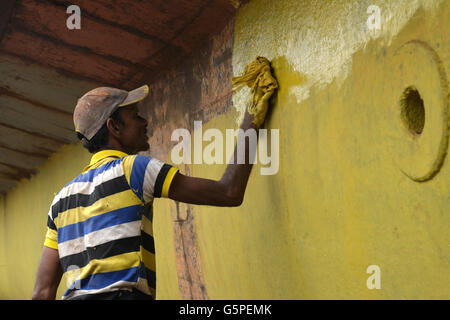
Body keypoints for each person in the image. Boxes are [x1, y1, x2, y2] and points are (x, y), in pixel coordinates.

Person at [31, 62, 277, 300]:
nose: (145, 121)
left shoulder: (61, 200)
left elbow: (42, 293)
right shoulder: (134, 169)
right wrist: (252, 115)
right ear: (114, 126)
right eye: (136, 115)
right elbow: (229, 192)